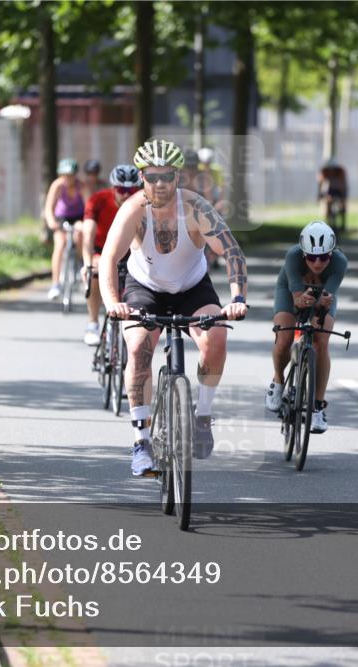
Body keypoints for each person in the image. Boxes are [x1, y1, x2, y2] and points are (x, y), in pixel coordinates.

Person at [99, 139, 248, 476]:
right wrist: (113, 303)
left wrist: (237, 298)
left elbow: (231, 252)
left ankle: (202, 416)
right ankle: (141, 441)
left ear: (177, 177)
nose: (160, 184)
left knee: (217, 340)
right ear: (142, 177)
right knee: (138, 349)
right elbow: (109, 257)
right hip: (145, 288)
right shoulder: (133, 211)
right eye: (152, 177)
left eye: (167, 176)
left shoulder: (196, 209)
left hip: (192, 287)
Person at [265, 221, 349, 433]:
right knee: (283, 337)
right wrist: (303, 302)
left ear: (332, 254)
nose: (318, 263)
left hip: (323, 297)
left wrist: (320, 305)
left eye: (324, 257)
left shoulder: (340, 263)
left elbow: (327, 298)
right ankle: (278, 380)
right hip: (290, 291)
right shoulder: (293, 256)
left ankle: (318, 406)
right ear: (303, 254)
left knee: (321, 341)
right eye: (312, 257)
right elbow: (297, 301)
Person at [80, 165, 142, 345]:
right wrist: (87, 262)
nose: (126, 194)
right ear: (113, 188)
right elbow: (88, 235)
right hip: (102, 251)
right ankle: (92, 323)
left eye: (131, 190)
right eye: (121, 189)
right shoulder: (98, 200)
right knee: (94, 272)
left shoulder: (144, 202)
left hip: (132, 254)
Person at [43, 158, 87, 301]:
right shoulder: (57, 186)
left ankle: (81, 263)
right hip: (61, 217)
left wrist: (86, 223)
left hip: (79, 216)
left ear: (75, 175)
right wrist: (51, 222)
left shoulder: (82, 186)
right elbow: (49, 207)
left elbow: (89, 206)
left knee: (80, 234)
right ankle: (56, 284)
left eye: (70, 175)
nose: (67, 178)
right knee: (60, 244)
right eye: (64, 175)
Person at [318, 159, 348, 235]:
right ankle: (328, 224)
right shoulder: (324, 172)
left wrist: (343, 197)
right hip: (329, 191)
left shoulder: (340, 172)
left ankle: (342, 226)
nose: (331, 171)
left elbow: (343, 185)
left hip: (339, 191)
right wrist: (321, 195)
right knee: (328, 206)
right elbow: (321, 184)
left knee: (342, 207)